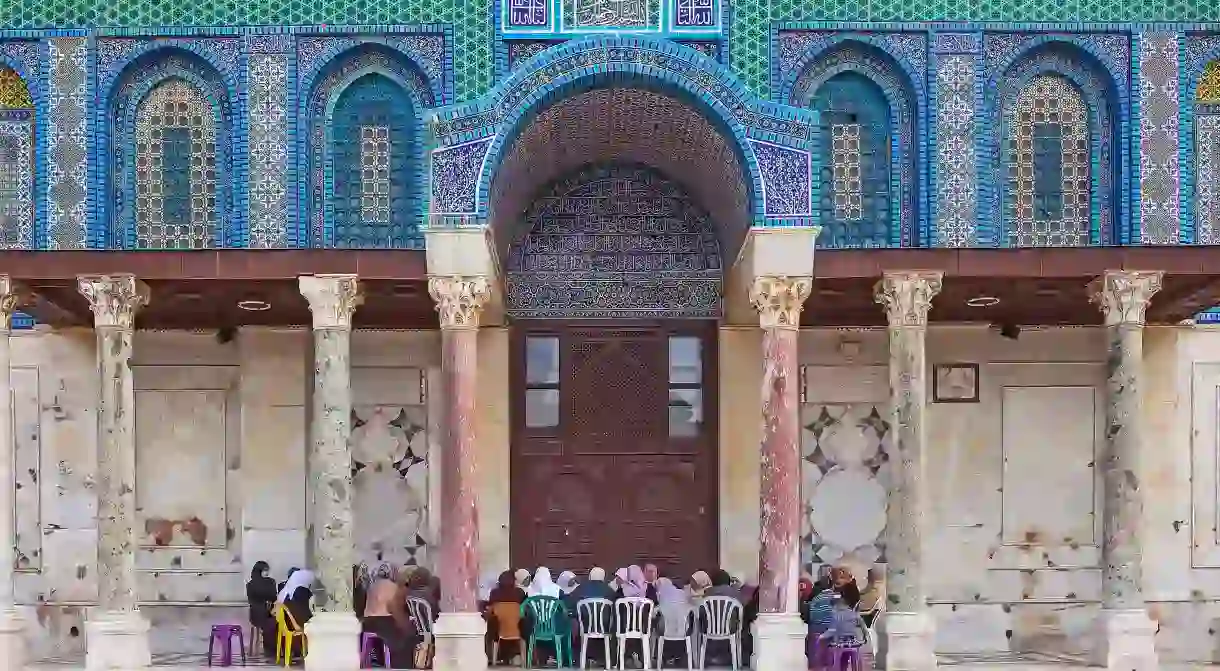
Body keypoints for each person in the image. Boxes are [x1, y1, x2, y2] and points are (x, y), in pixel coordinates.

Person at [363, 577, 419, 668]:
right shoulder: (401, 637)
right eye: (398, 599)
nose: (403, 603)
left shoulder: (357, 632)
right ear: (390, 603)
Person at [276, 568, 315, 650]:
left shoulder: (284, 589)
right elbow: (308, 610)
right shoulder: (302, 591)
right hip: (294, 624)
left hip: (283, 624)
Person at [246, 561, 278, 658]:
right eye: (265, 570)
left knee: (272, 622)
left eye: (267, 570)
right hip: (261, 612)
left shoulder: (251, 584)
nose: (267, 572)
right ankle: (271, 650)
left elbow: (273, 597)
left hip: (260, 612)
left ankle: (270, 650)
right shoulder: (269, 582)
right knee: (272, 623)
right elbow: (272, 596)